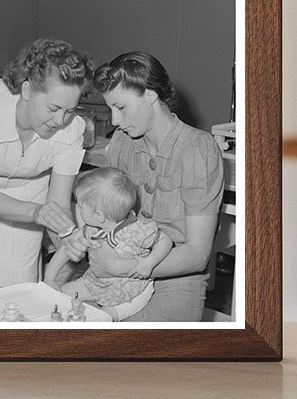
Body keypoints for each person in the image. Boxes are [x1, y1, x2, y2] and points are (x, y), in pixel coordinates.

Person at [0, 38, 93, 296]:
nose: (60, 121)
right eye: (54, 108)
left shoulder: (72, 128)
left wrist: (66, 237)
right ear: (27, 91)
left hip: (33, 197)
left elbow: (59, 203)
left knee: (23, 287)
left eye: (70, 110)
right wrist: (37, 213)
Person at [91, 52, 224, 323]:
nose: (114, 120)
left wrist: (124, 268)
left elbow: (197, 255)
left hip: (176, 281)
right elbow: (110, 217)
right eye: (110, 109)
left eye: (121, 107)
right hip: (120, 273)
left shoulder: (198, 148)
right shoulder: (121, 143)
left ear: (151, 95)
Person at [44, 167, 172, 320]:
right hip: (97, 283)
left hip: (132, 292)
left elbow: (165, 240)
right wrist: (50, 278)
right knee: (58, 294)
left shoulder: (137, 230)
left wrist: (150, 262)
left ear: (99, 215)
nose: (77, 208)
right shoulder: (91, 229)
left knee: (100, 317)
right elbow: (67, 249)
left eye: (80, 206)